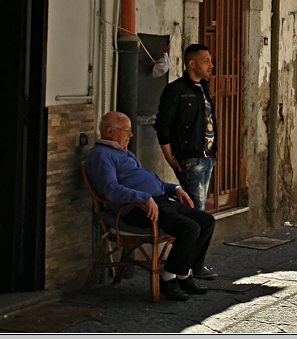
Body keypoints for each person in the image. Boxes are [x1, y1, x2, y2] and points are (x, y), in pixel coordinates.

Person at [85, 111, 215, 301]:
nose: (131, 135)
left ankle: (184, 274)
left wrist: (174, 188)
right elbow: (110, 190)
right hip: (136, 209)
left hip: (157, 200)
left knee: (206, 221)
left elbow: (144, 179)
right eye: (127, 130)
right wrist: (144, 198)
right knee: (189, 228)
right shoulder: (101, 155)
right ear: (110, 131)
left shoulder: (121, 151)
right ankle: (169, 278)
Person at [155, 43, 218, 280]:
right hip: (189, 160)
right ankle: (190, 268)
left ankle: (190, 265)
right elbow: (163, 123)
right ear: (191, 63)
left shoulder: (203, 88)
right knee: (197, 214)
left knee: (199, 213)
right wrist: (169, 156)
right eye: (205, 61)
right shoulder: (176, 90)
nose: (211, 65)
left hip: (206, 158)